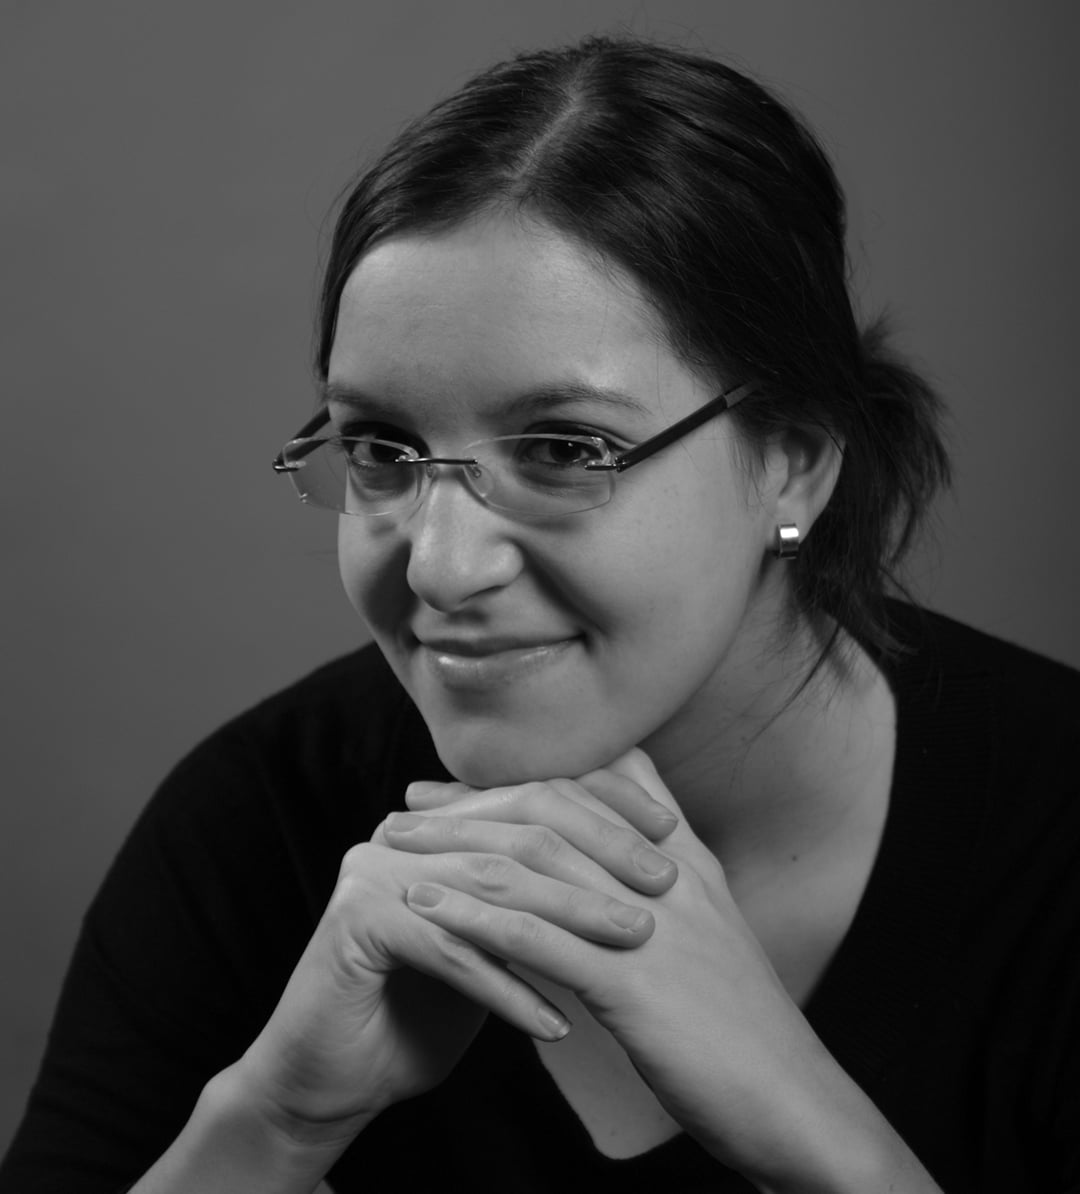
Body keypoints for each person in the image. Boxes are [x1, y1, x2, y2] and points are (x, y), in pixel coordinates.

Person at [2, 34, 1078, 1194]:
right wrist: (278, 1117)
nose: (441, 569)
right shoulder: (257, 821)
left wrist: (812, 1128)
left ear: (794, 464)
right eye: (381, 448)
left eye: (566, 450)